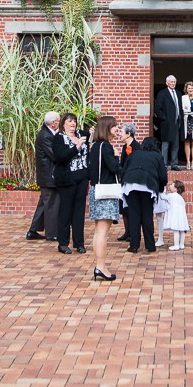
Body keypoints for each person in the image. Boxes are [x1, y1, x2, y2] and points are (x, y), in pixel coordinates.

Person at [87, 115, 120, 281]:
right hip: (105, 192)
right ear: (107, 128)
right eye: (114, 126)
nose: (116, 129)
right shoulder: (106, 147)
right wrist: (116, 155)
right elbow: (114, 168)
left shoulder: (95, 147)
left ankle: (100, 265)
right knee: (102, 231)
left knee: (98, 231)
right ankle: (100, 266)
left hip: (95, 190)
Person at [52, 112, 89, 255]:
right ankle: (63, 243)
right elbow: (60, 157)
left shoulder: (81, 136)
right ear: (63, 124)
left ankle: (79, 243)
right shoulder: (59, 138)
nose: (72, 124)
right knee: (66, 210)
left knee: (79, 212)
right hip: (66, 179)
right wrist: (76, 147)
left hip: (81, 178)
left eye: (74, 121)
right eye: (69, 121)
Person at [122, 136, 167, 253]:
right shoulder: (157, 156)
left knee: (134, 215)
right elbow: (163, 176)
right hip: (148, 186)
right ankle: (150, 245)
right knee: (147, 216)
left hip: (130, 185)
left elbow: (125, 169)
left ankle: (134, 246)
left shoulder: (134, 154)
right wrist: (160, 189)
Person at [26, 111, 62, 242]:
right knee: (52, 204)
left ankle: (33, 230)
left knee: (44, 203)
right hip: (49, 176)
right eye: (58, 121)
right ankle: (52, 233)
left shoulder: (48, 133)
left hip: (47, 175)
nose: (59, 123)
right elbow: (54, 155)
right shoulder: (45, 136)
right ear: (53, 123)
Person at [154, 74, 184, 171]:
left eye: (174, 82)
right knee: (166, 144)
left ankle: (174, 164)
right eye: (171, 82)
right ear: (167, 83)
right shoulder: (162, 93)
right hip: (167, 123)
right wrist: (164, 119)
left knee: (176, 144)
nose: (173, 83)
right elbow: (157, 109)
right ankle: (164, 164)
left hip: (177, 122)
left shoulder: (179, 93)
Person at [116, 124, 139, 243]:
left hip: (132, 181)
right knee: (124, 207)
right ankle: (127, 231)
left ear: (128, 134)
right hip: (124, 179)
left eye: (121, 132)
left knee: (131, 207)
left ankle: (133, 232)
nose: (119, 134)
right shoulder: (125, 147)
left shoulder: (137, 147)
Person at [163, 180, 190, 250]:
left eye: (172, 185)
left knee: (176, 231)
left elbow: (162, 197)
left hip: (175, 217)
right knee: (182, 230)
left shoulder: (171, 196)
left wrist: (164, 188)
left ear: (175, 189)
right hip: (182, 217)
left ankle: (176, 245)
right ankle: (182, 244)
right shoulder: (180, 198)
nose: (170, 186)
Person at [182, 81, 193, 170]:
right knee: (187, 141)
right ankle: (188, 161)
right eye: (189, 88)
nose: (190, 89)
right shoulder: (183, 97)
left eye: (192, 88)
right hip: (186, 120)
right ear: (186, 89)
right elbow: (183, 108)